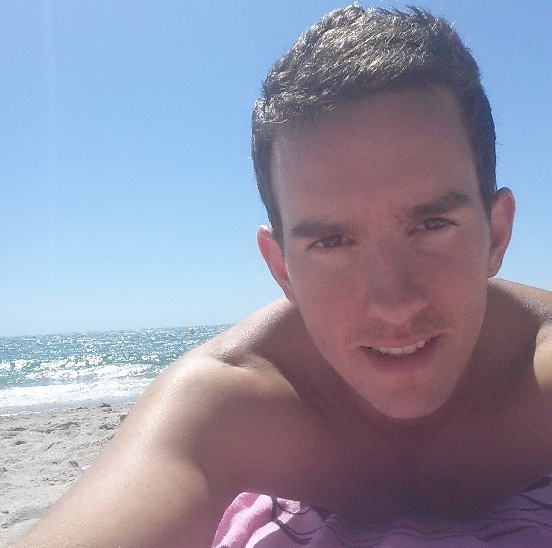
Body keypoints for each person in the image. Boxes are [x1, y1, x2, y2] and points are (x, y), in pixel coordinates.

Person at [15, 5, 552, 547]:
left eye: (432, 224)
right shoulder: (233, 404)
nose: (393, 303)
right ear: (281, 268)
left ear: (497, 234)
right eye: (331, 242)